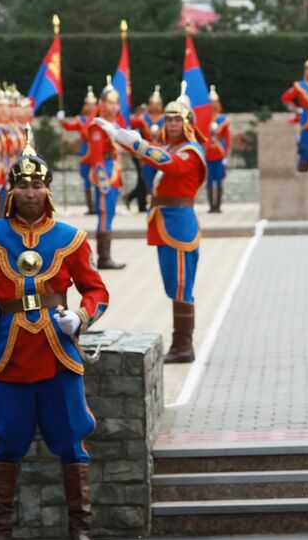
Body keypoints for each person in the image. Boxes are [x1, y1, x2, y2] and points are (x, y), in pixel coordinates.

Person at [0, 128, 110, 540]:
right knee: (7, 441)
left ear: (47, 190)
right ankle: (1, 533)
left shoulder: (71, 237)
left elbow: (97, 291)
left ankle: (80, 531)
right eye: (22, 185)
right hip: (9, 353)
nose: (30, 192)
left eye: (37, 185)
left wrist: (81, 316)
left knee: (71, 440)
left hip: (58, 352)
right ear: (10, 190)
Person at [94, 84, 205, 364]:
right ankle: (181, 344)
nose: (171, 123)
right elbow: (159, 155)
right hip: (167, 224)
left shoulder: (190, 152)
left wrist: (133, 142)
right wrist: (122, 138)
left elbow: (170, 165)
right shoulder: (173, 147)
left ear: (188, 123)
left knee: (181, 287)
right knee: (174, 287)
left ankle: (183, 346)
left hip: (178, 226)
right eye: (168, 119)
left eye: (177, 119)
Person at [88, 77, 126, 271]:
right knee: (104, 214)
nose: (113, 106)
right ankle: (103, 257)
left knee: (109, 213)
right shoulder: (98, 125)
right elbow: (96, 156)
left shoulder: (113, 123)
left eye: (116, 102)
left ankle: (106, 255)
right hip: (105, 171)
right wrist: (102, 180)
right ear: (102, 104)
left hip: (114, 168)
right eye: (110, 102)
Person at [58, 87, 98, 215]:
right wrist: (62, 120)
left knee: (99, 177)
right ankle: (90, 206)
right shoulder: (80, 119)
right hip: (85, 150)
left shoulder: (99, 119)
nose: (91, 107)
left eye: (93, 105)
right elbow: (69, 126)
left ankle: (98, 206)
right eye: (88, 105)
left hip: (97, 148)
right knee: (86, 179)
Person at [130, 87, 164, 202]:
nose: (154, 106)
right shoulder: (143, 118)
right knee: (147, 178)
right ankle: (151, 200)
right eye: (152, 104)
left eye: (157, 104)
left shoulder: (165, 119)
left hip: (161, 151)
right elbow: (130, 121)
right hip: (147, 151)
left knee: (161, 178)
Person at [206, 86, 230, 214]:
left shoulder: (223, 119)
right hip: (208, 154)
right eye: (210, 102)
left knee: (219, 181)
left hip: (219, 153)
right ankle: (211, 206)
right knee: (209, 181)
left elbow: (227, 137)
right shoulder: (204, 118)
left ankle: (218, 206)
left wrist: (226, 153)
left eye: (214, 102)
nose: (212, 105)